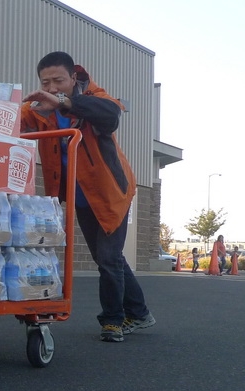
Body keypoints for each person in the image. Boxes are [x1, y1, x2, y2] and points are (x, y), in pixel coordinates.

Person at [21, 51, 154, 343]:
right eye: (46, 82)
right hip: (79, 196)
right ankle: (140, 312)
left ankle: (113, 321)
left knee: (108, 258)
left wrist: (64, 102)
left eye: (59, 80)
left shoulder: (94, 96)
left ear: (73, 77)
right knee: (107, 257)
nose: (52, 87)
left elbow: (111, 115)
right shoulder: (38, 108)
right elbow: (10, 120)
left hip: (110, 193)